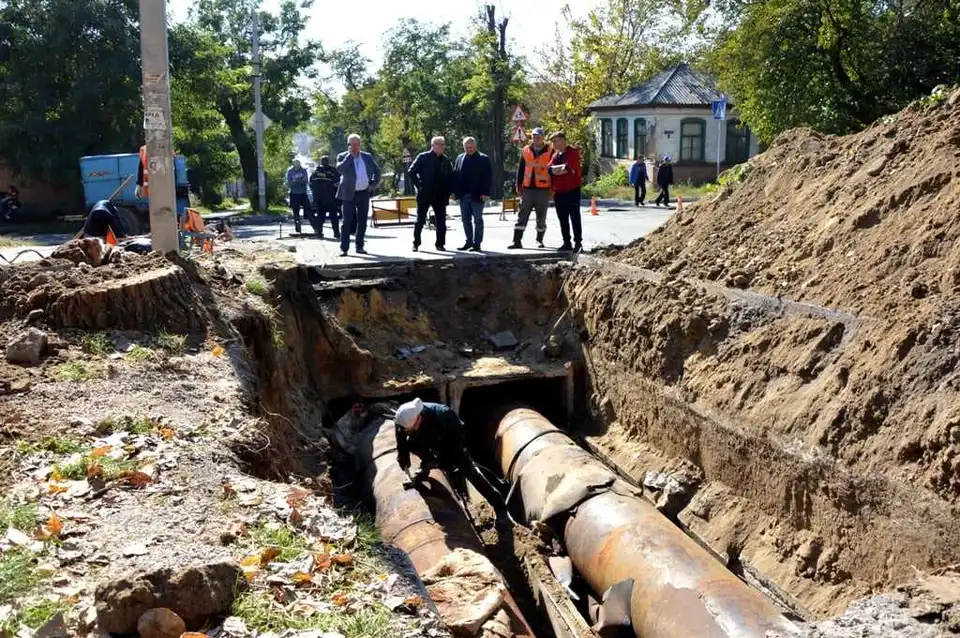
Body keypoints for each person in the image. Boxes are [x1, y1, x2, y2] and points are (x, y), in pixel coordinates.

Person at [394, 398, 510, 527]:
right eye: (407, 430)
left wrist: (439, 460)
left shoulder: (444, 415)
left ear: (419, 417)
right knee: (414, 445)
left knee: (470, 472)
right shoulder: (403, 420)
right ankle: (424, 469)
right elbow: (402, 442)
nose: (409, 431)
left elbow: (456, 444)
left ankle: (500, 507)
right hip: (425, 439)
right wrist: (403, 458)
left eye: (412, 428)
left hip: (448, 441)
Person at [336, 134, 382, 257]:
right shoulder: (342, 156)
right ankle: (344, 248)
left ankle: (359, 246)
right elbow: (340, 169)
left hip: (363, 193)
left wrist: (372, 185)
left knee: (362, 221)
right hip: (348, 194)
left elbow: (377, 171)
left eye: (356, 144)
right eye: (351, 144)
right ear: (348, 145)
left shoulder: (367, 157)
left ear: (360, 144)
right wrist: (349, 157)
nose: (354, 146)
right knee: (347, 222)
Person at [408, 136, 454, 252]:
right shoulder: (423, 157)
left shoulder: (446, 160)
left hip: (440, 195)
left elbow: (450, 178)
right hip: (425, 194)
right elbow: (411, 171)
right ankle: (416, 243)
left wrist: (449, 192)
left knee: (441, 221)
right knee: (420, 220)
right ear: (433, 145)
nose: (442, 147)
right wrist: (419, 186)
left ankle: (440, 244)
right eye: (439, 144)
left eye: (443, 144)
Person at [511, 127, 554, 249]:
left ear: (543, 138)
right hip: (528, 188)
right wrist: (518, 186)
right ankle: (516, 241)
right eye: (534, 137)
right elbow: (521, 169)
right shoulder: (526, 150)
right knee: (522, 215)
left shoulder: (550, 151)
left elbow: (552, 171)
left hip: (543, 189)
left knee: (541, 217)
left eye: (539, 137)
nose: (536, 139)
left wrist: (553, 189)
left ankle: (539, 240)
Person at [453, 137, 492, 252]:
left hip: (478, 194)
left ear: (476, 146)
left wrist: (485, 193)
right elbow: (455, 175)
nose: (469, 149)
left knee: (478, 219)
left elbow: (487, 177)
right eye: (466, 147)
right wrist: (454, 192)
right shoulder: (460, 158)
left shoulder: (483, 158)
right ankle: (468, 241)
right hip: (463, 195)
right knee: (465, 220)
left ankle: (477, 243)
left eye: (471, 147)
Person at [547, 132, 583, 253]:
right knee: (562, 218)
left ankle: (578, 243)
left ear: (562, 140)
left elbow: (567, 169)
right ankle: (566, 242)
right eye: (552, 141)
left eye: (555, 141)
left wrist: (557, 169)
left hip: (572, 190)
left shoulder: (572, 152)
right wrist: (557, 169)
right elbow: (549, 168)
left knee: (574, 217)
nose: (554, 144)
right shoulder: (556, 155)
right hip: (559, 192)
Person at [310, 156, 341, 239]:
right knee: (333, 216)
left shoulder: (314, 172)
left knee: (320, 216)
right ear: (328, 162)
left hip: (319, 199)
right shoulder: (333, 172)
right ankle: (336, 233)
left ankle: (319, 233)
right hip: (331, 198)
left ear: (321, 162)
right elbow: (338, 184)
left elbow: (311, 185)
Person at [286, 159, 310, 234]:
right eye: (295, 164)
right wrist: (299, 180)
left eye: (298, 164)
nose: (297, 165)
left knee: (309, 210)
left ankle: (316, 228)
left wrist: (296, 180)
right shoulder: (290, 171)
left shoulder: (303, 170)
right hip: (294, 194)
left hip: (303, 193)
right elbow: (290, 183)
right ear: (293, 164)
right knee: (296, 212)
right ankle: (298, 227)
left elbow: (306, 180)